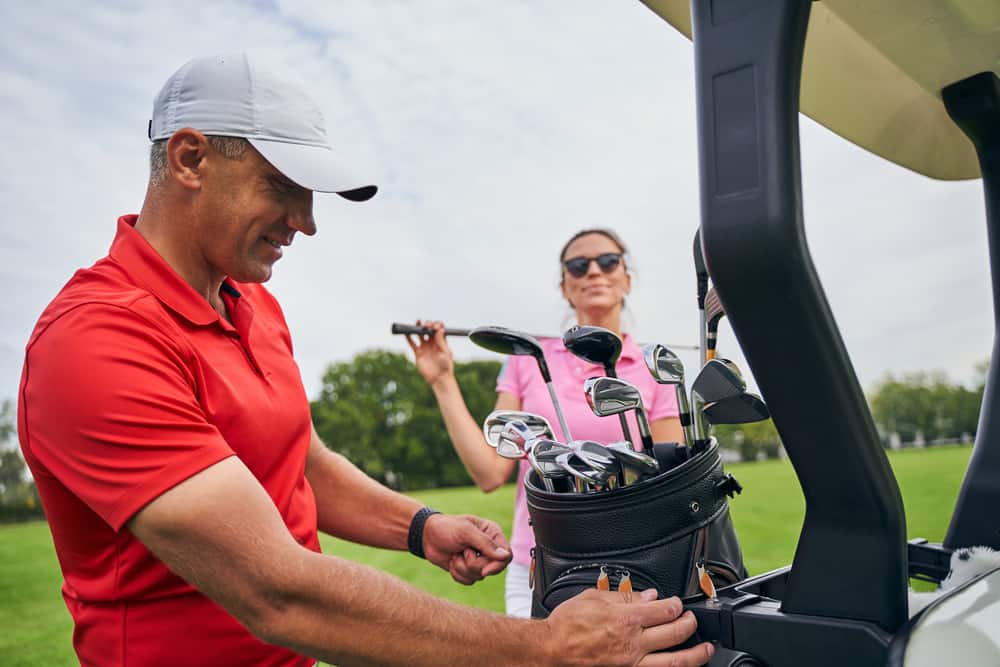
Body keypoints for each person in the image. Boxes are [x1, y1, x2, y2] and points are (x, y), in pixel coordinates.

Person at [16, 53, 713, 666]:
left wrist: (417, 526)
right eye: (282, 184)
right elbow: (277, 592)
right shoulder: (95, 340)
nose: (307, 220)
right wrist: (547, 648)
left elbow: (302, 465)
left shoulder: (255, 307)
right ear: (190, 158)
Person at [408, 228, 686, 617]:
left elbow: (670, 479)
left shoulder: (652, 367)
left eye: (608, 261)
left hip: (636, 564)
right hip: (540, 567)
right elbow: (490, 472)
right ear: (565, 287)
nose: (593, 272)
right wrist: (442, 380)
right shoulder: (527, 358)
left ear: (627, 279)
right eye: (578, 265)